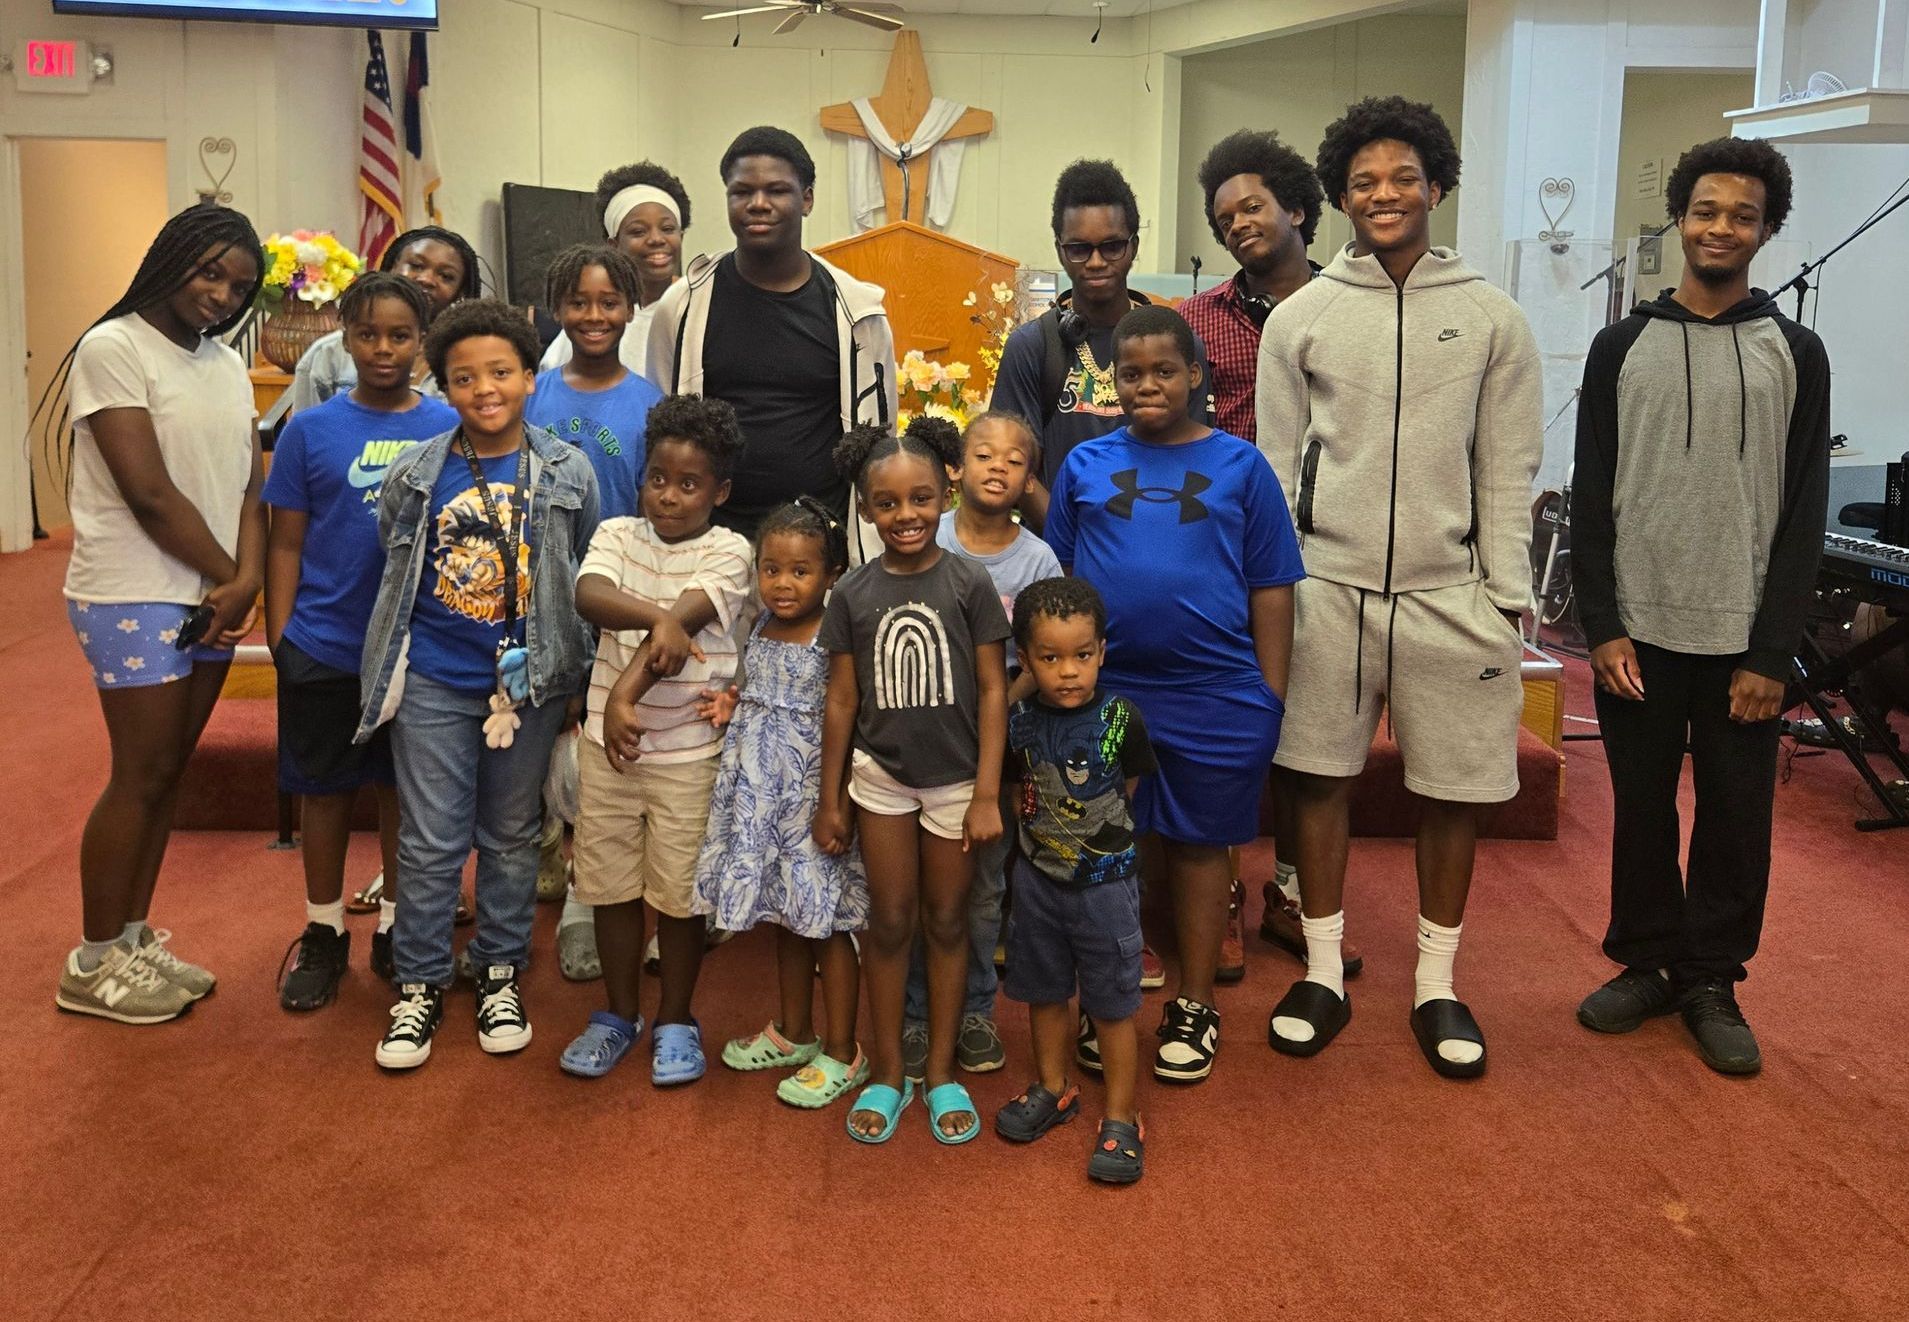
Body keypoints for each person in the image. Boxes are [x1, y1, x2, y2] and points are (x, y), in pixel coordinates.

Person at [1256, 96, 1542, 1079]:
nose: (1384, 194)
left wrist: (1503, 597)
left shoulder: (1492, 316)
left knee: (1454, 795)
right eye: (1364, 181)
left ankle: (1437, 983)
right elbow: (1273, 463)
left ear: (1436, 186)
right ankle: (1324, 970)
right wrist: (1280, 589)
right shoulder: (1302, 316)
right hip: (1325, 587)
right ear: (1338, 194)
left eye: (1402, 177)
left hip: (1448, 592)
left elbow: (1509, 465)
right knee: (1318, 779)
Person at [1571, 137, 1828, 1077]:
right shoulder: (1620, 344)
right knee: (1640, 810)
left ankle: (1711, 976)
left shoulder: (1793, 350)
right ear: (1679, 218)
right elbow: (1588, 489)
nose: (1722, 227)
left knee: (1732, 815)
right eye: (1706, 210)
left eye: (1743, 215)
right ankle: (1645, 960)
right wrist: (1599, 625)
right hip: (1634, 632)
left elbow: (1802, 514)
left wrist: (1771, 653)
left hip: (1740, 639)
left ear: (1766, 231)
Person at [1046, 305, 1302, 1085]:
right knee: (1106, 852)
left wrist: (1269, 697)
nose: (1147, 384)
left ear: (1196, 376)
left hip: (1217, 691)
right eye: (1130, 374)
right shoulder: (1085, 464)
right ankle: (1112, 999)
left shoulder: (1241, 466)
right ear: (1110, 383)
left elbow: (1272, 587)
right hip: (1105, 689)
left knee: (1199, 851)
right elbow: (1054, 582)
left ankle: (1195, 1003)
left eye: (1164, 370)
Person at [357, 298, 600, 1069]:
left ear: (532, 377)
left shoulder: (567, 469)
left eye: (501, 372)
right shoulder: (415, 471)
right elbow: (393, 561)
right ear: (444, 386)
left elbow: (586, 565)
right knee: (430, 842)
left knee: (508, 835)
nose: (485, 389)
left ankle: (498, 968)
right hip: (434, 677)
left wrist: (572, 682)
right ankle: (421, 982)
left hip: (529, 687)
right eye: (464, 377)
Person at [53, 202, 265, 1025]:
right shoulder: (114, 348)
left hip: (209, 591)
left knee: (169, 772)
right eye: (210, 271)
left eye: (238, 286)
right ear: (171, 256)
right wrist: (232, 578)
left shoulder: (222, 361)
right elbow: (145, 491)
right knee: (138, 774)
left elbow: (249, 482)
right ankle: (92, 960)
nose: (221, 295)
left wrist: (244, 576)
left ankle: (133, 940)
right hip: (134, 587)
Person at [1180, 128, 1346, 987]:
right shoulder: (1195, 322)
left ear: (1297, 209)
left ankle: (1291, 892)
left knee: (1305, 729)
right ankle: (1225, 895)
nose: (1238, 223)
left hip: (1324, 550)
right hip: (1216, 551)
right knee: (1225, 724)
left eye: (1251, 206)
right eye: (1223, 216)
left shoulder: (1349, 308)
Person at [266, 272, 458, 1009]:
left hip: (417, 650)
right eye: (368, 334)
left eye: (400, 335)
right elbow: (285, 540)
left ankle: (396, 926)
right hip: (326, 642)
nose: (383, 349)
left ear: (422, 343)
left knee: (400, 793)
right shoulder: (311, 430)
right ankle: (322, 931)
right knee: (323, 793)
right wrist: (283, 639)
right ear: (344, 338)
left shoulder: (444, 427)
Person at [815, 425, 1010, 1145]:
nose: (906, 515)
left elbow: (993, 690)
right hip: (881, 780)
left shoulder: (967, 582)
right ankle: (890, 1072)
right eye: (887, 502)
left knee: (949, 923)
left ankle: (944, 1073)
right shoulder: (851, 592)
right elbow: (840, 700)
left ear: (946, 495)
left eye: (921, 498)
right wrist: (830, 797)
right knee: (890, 923)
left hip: (958, 783)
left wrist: (987, 791)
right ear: (865, 509)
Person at [558, 395, 754, 1084]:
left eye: (689, 484)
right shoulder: (616, 531)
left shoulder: (730, 550)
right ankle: (617, 1014)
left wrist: (619, 697)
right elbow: (589, 594)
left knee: (677, 896)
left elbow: (686, 627)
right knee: (609, 886)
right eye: (656, 479)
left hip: (685, 754)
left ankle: (675, 1015)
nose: (667, 496)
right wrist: (657, 618)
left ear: (720, 491)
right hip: (610, 754)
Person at [691, 498, 870, 1107]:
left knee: (828, 924)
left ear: (831, 575)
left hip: (809, 800)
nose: (783, 583)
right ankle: (796, 1031)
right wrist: (734, 702)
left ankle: (845, 1051)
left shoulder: (835, 632)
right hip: (760, 795)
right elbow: (763, 688)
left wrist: (835, 805)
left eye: (800, 571)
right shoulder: (761, 623)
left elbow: (842, 715)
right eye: (771, 569)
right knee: (788, 915)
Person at [899, 411, 1060, 1081]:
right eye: (983, 454)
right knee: (913, 889)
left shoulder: (1037, 559)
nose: (998, 466)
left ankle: (972, 1012)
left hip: (995, 750)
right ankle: (913, 1014)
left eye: (1014, 460)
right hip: (914, 747)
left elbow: (1038, 659)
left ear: (1027, 480)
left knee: (983, 889)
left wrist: (992, 706)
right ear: (955, 470)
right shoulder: (920, 536)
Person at [648, 127, 895, 548]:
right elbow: (658, 425)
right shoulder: (683, 306)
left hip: (821, 553)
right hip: (708, 547)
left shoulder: (857, 312)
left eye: (777, 190)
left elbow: (880, 440)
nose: (758, 204)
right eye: (742, 191)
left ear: (808, 199)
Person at [994, 577, 1157, 1185]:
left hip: (1106, 888)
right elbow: (1018, 790)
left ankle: (1121, 1116)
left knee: (1113, 1005)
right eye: (1050, 657)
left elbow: (1128, 787)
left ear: (1102, 652)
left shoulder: (1121, 719)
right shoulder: (1018, 722)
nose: (1068, 671)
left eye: (1082, 655)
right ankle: (1053, 1088)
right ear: (1026, 659)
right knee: (1043, 991)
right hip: (1036, 882)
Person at [990, 159, 1209, 531]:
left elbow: (1195, 456)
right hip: (1062, 560)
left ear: (1134, 246)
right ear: (1060, 250)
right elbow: (1013, 464)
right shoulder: (1032, 347)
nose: (1095, 262)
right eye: (1079, 248)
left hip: (1159, 540)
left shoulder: (1178, 345)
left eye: (1112, 247)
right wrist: (1078, 546)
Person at [527, 244, 664, 521]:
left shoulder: (652, 405)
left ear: (630, 311)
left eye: (609, 304)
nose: (594, 316)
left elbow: (652, 504)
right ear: (557, 310)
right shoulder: (529, 394)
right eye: (578, 304)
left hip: (618, 561)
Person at [288, 227, 482, 412]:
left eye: (446, 276)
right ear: (390, 268)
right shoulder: (329, 353)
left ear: (460, 294)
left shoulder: (470, 357)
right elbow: (306, 432)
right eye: (416, 266)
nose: (427, 279)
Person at [541, 161, 691, 376]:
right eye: (638, 231)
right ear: (614, 245)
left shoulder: (696, 306)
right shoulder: (596, 322)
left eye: (667, 229)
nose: (656, 239)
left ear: (681, 236)